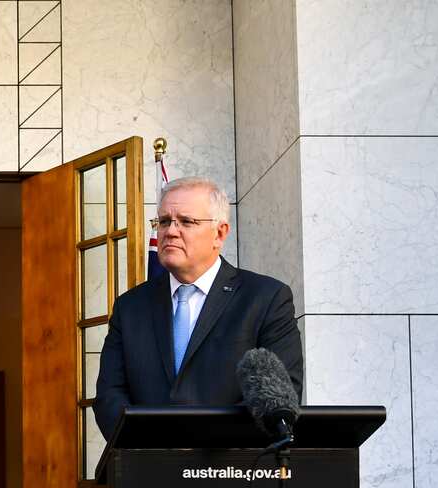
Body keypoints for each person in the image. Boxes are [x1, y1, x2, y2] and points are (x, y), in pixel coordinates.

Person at [93, 177, 303, 440]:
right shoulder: (131, 307)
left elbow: (282, 392)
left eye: (186, 221)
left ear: (220, 233)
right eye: (165, 221)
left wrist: (199, 448)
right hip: (148, 468)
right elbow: (110, 396)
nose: (170, 231)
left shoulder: (266, 298)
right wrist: (152, 449)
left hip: (232, 469)